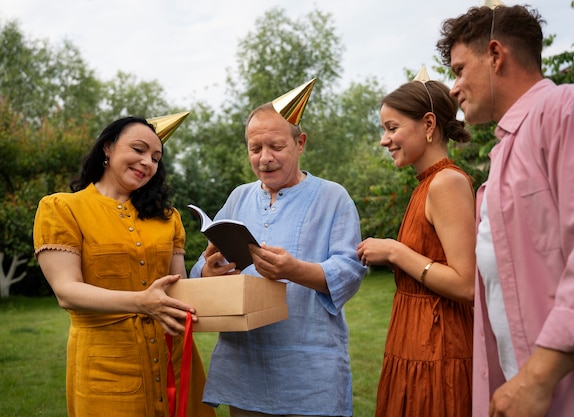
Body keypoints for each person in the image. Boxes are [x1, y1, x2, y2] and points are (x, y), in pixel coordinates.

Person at [436, 4, 574, 417]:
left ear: (496, 54)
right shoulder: (506, 152)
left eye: (458, 69)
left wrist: (539, 376)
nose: (453, 87)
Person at [189, 79, 367, 417]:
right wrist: (208, 272)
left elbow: (350, 271)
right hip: (244, 366)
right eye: (255, 149)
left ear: (300, 143)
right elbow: (204, 265)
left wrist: (293, 270)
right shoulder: (239, 197)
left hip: (309, 371)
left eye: (276, 147)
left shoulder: (333, 197)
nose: (265, 158)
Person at [33, 114, 215, 417]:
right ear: (108, 147)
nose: (148, 162)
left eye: (156, 158)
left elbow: (177, 287)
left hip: (175, 359)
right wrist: (142, 303)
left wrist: (210, 272)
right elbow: (67, 292)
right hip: (106, 367)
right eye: (139, 150)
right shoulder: (63, 209)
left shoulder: (168, 217)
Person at [356, 67, 476, 417]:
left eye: (392, 128)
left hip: (438, 345)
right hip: (414, 336)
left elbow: (466, 283)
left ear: (427, 125)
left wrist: (394, 251)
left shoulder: (446, 183)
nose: (384, 140)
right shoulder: (427, 183)